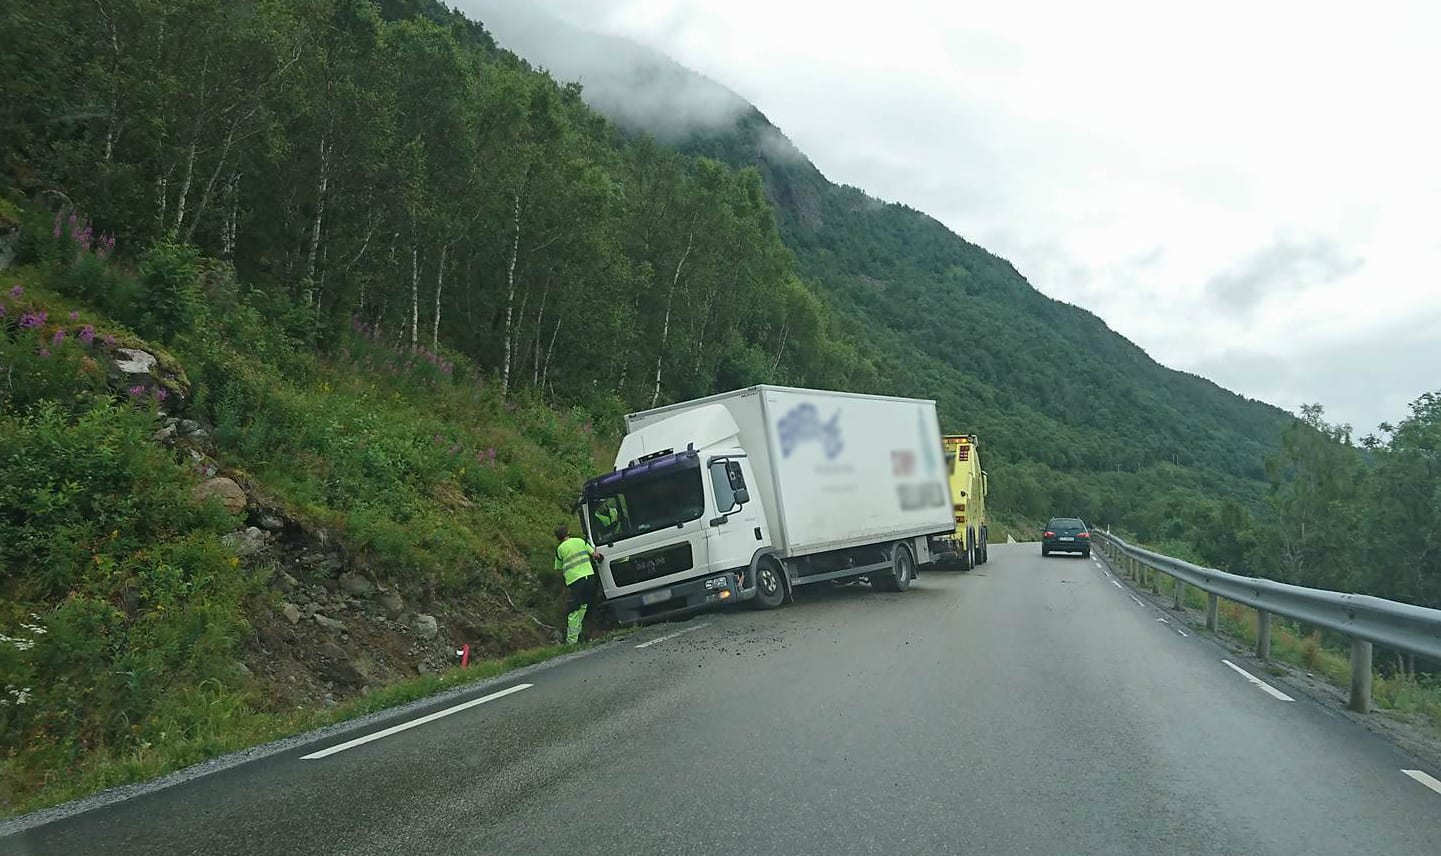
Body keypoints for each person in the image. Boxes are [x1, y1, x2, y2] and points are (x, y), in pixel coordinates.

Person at [554, 524, 601, 645]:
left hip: (575, 581)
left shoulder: (560, 549)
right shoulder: (580, 541)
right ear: (568, 532)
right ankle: (583, 635)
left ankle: (572, 641)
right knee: (584, 606)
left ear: (557, 537)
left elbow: (558, 568)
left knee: (573, 611)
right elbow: (595, 555)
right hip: (590, 578)